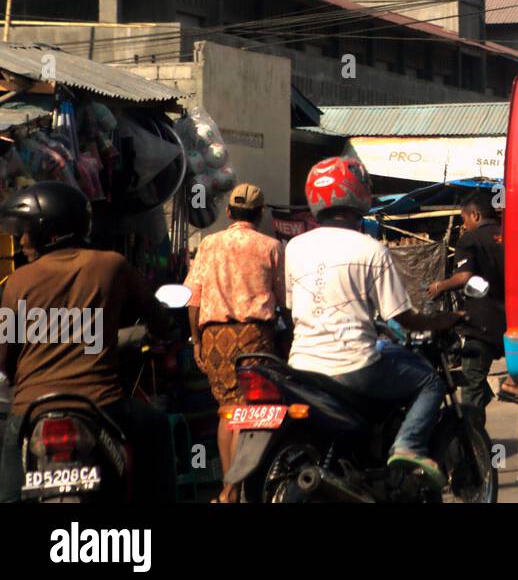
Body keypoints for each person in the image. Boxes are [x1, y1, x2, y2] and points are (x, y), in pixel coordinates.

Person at [286, 157, 462, 485]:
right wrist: (442, 320)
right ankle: (408, 445)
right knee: (430, 382)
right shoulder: (371, 249)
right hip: (353, 367)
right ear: (358, 193)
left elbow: (292, 306)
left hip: (301, 367)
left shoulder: (295, 247)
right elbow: (404, 318)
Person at [0, 181, 174, 502]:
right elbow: (157, 318)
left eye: (27, 231)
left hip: (31, 406)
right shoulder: (111, 265)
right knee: (158, 427)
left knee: (10, 480)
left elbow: (5, 356)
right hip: (103, 405)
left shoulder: (18, 281)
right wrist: (163, 330)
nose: (22, 240)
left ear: (48, 231)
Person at [183, 183, 285, 503]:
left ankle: (229, 490)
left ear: (228, 212)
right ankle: (234, 490)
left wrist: (197, 341)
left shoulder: (209, 244)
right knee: (249, 412)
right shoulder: (271, 246)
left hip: (215, 336)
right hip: (254, 335)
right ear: (260, 213)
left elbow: (193, 298)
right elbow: (283, 299)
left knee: (227, 412)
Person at [427, 191, 515, 412]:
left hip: (480, 326)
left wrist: (439, 286)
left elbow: (465, 277)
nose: (463, 225)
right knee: (479, 381)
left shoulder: (469, 240)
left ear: (474, 215)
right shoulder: (511, 234)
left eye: (463, 218)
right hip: (513, 322)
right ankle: (505, 386)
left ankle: (474, 439)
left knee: (471, 386)